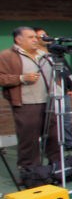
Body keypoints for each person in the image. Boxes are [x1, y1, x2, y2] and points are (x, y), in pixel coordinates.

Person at [0, 27, 61, 176]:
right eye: (30, 37)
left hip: (48, 102)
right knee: (29, 139)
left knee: (53, 137)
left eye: (35, 37)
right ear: (18, 39)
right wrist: (21, 78)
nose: (35, 40)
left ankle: (57, 167)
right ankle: (30, 172)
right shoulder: (7, 56)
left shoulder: (44, 54)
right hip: (26, 104)